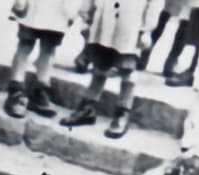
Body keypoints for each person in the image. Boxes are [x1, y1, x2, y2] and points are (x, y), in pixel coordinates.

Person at [61, 0, 163, 138]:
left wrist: (147, 29)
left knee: (127, 67)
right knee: (100, 63)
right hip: (105, 16)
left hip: (132, 21)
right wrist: (87, 13)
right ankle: (87, 107)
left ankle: (123, 111)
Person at [3, 0, 82, 118]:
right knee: (26, 44)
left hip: (60, 9)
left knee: (49, 48)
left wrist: (73, 9)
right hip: (34, 6)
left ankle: (40, 91)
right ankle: (16, 91)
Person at [160, 0, 199, 86]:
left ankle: (187, 73)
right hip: (190, 6)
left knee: (193, 37)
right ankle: (172, 66)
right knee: (183, 31)